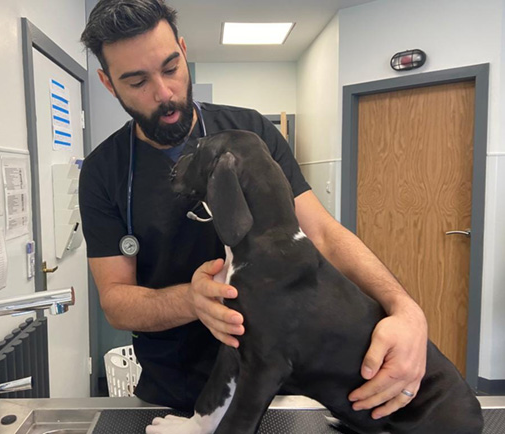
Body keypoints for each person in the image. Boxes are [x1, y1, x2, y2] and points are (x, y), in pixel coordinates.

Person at [79, 0, 428, 419]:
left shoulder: (251, 135)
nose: (164, 93)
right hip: (174, 394)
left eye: (171, 68)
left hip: (277, 386)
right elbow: (116, 300)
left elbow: (321, 234)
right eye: (136, 81)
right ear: (107, 82)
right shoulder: (103, 171)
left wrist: (404, 308)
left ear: (184, 50)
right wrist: (192, 301)